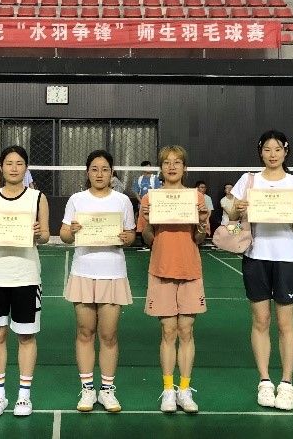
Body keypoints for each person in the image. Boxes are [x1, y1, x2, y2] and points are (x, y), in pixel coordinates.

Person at [229, 130, 293, 411]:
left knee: (286, 324)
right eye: (267, 149)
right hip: (256, 255)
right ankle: (264, 381)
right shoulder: (248, 180)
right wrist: (237, 208)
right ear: (260, 152)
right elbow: (231, 218)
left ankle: (286, 383)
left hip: (287, 257)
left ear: (286, 151)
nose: (272, 155)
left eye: (277, 149)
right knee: (260, 321)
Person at [0, 146, 51, 417]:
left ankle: (23, 396)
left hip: (26, 275)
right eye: (9, 163)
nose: (14, 168)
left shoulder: (37, 197)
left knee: (26, 335)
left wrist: (38, 233)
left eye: (19, 163)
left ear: (26, 168)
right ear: (1, 167)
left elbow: (45, 236)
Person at [60, 150, 136, 413]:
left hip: (112, 273)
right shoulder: (76, 200)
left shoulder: (122, 201)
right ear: (87, 172)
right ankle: (87, 389)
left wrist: (126, 238)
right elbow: (65, 235)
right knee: (84, 332)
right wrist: (72, 231)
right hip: (83, 272)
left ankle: (107, 390)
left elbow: (131, 235)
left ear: (112, 173)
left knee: (109, 335)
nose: (100, 174)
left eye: (105, 169)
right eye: (94, 169)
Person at [137, 145, 210, 414]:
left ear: (184, 168)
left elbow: (199, 238)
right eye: (167, 162)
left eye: (177, 162)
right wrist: (148, 222)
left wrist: (201, 224)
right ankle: (168, 390)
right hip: (161, 270)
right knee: (168, 332)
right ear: (161, 168)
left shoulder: (196, 198)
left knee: (186, 331)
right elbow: (148, 239)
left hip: (190, 270)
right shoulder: (150, 199)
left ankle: (185, 389)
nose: (171, 166)